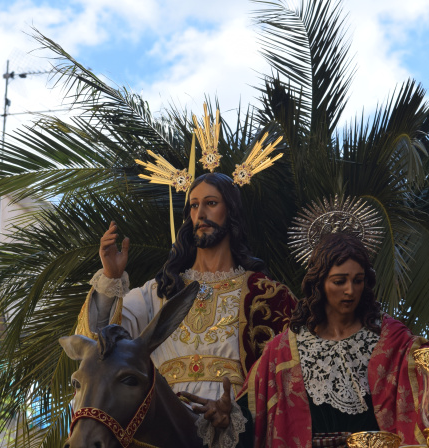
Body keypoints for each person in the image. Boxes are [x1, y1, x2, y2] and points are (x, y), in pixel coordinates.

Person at [235, 232, 429, 447]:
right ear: (319, 283)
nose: (350, 291)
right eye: (339, 281)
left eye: (358, 280)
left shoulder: (395, 343)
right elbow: (248, 421)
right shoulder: (283, 352)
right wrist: (223, 419)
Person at [74, 172, 297, 446]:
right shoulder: (159, 292)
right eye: (193, 205)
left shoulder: (265, 295)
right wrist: (110, 278)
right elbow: (100, 344)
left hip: (232, 430)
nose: (201, 212)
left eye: (211, 203)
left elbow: (284, 380)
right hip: (163, 427)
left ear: (232, 211)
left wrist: (236, 411)